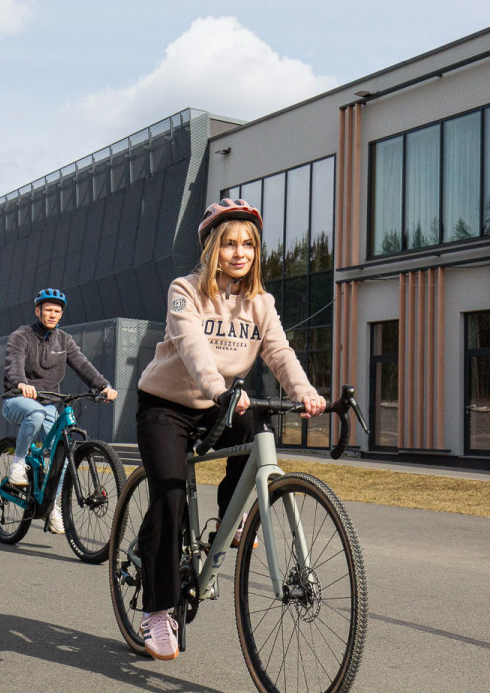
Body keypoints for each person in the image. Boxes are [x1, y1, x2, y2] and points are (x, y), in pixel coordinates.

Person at [133, 198, 327, 661]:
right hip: (167, 405)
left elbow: (279, 353)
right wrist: (219, 388)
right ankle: (157, 611)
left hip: (222, 403)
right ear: (211, 248)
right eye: (229, 244)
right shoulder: (185, 289)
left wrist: (305, 391)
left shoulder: (261, 302)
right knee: (170, 495)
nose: (240, 253)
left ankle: (232, 517)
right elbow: (193, 346)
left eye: (248, 245)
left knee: (257, 428)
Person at [2, 288, 117, 533]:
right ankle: (18, 463)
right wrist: (21, 383)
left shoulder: (64, 340)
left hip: (49, 403)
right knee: (36, 412)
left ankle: (52, 505)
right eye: (48, 310)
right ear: (38, 311)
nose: (52, 314)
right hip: (17, 399)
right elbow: (15, 361)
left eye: (57, 311)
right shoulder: (22, 335)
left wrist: (103, 386)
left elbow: (82, 364)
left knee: (63, 450)